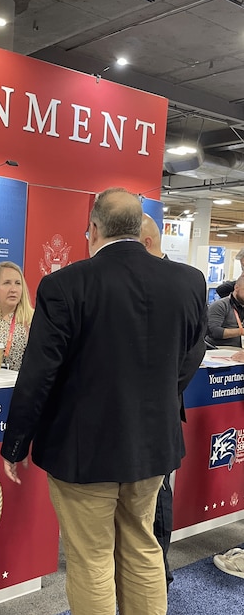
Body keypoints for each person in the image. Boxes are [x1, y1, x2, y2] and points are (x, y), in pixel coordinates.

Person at [1, 187, 207, 615]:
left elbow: (39, 373)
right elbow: (191, 356)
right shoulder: (188, 281)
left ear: (92, 229)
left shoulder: (66, 284)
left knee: (91, 555)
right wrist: (161, 401)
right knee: (140, 542)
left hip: (83, 450)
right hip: (154, 446)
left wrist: (15, 443)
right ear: (141, 229)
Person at [140, 213, 174, 589]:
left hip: (159, 411)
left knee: (157, 499)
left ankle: (160, 567)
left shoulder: (182, 281)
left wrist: (163, 389)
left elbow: (192, 351)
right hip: (131, 416)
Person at [207, 274, 244, 348]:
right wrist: (241, 331)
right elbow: (213, 331)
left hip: (239, 351)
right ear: (236, 288)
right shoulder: (220, 305)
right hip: (218, 350)